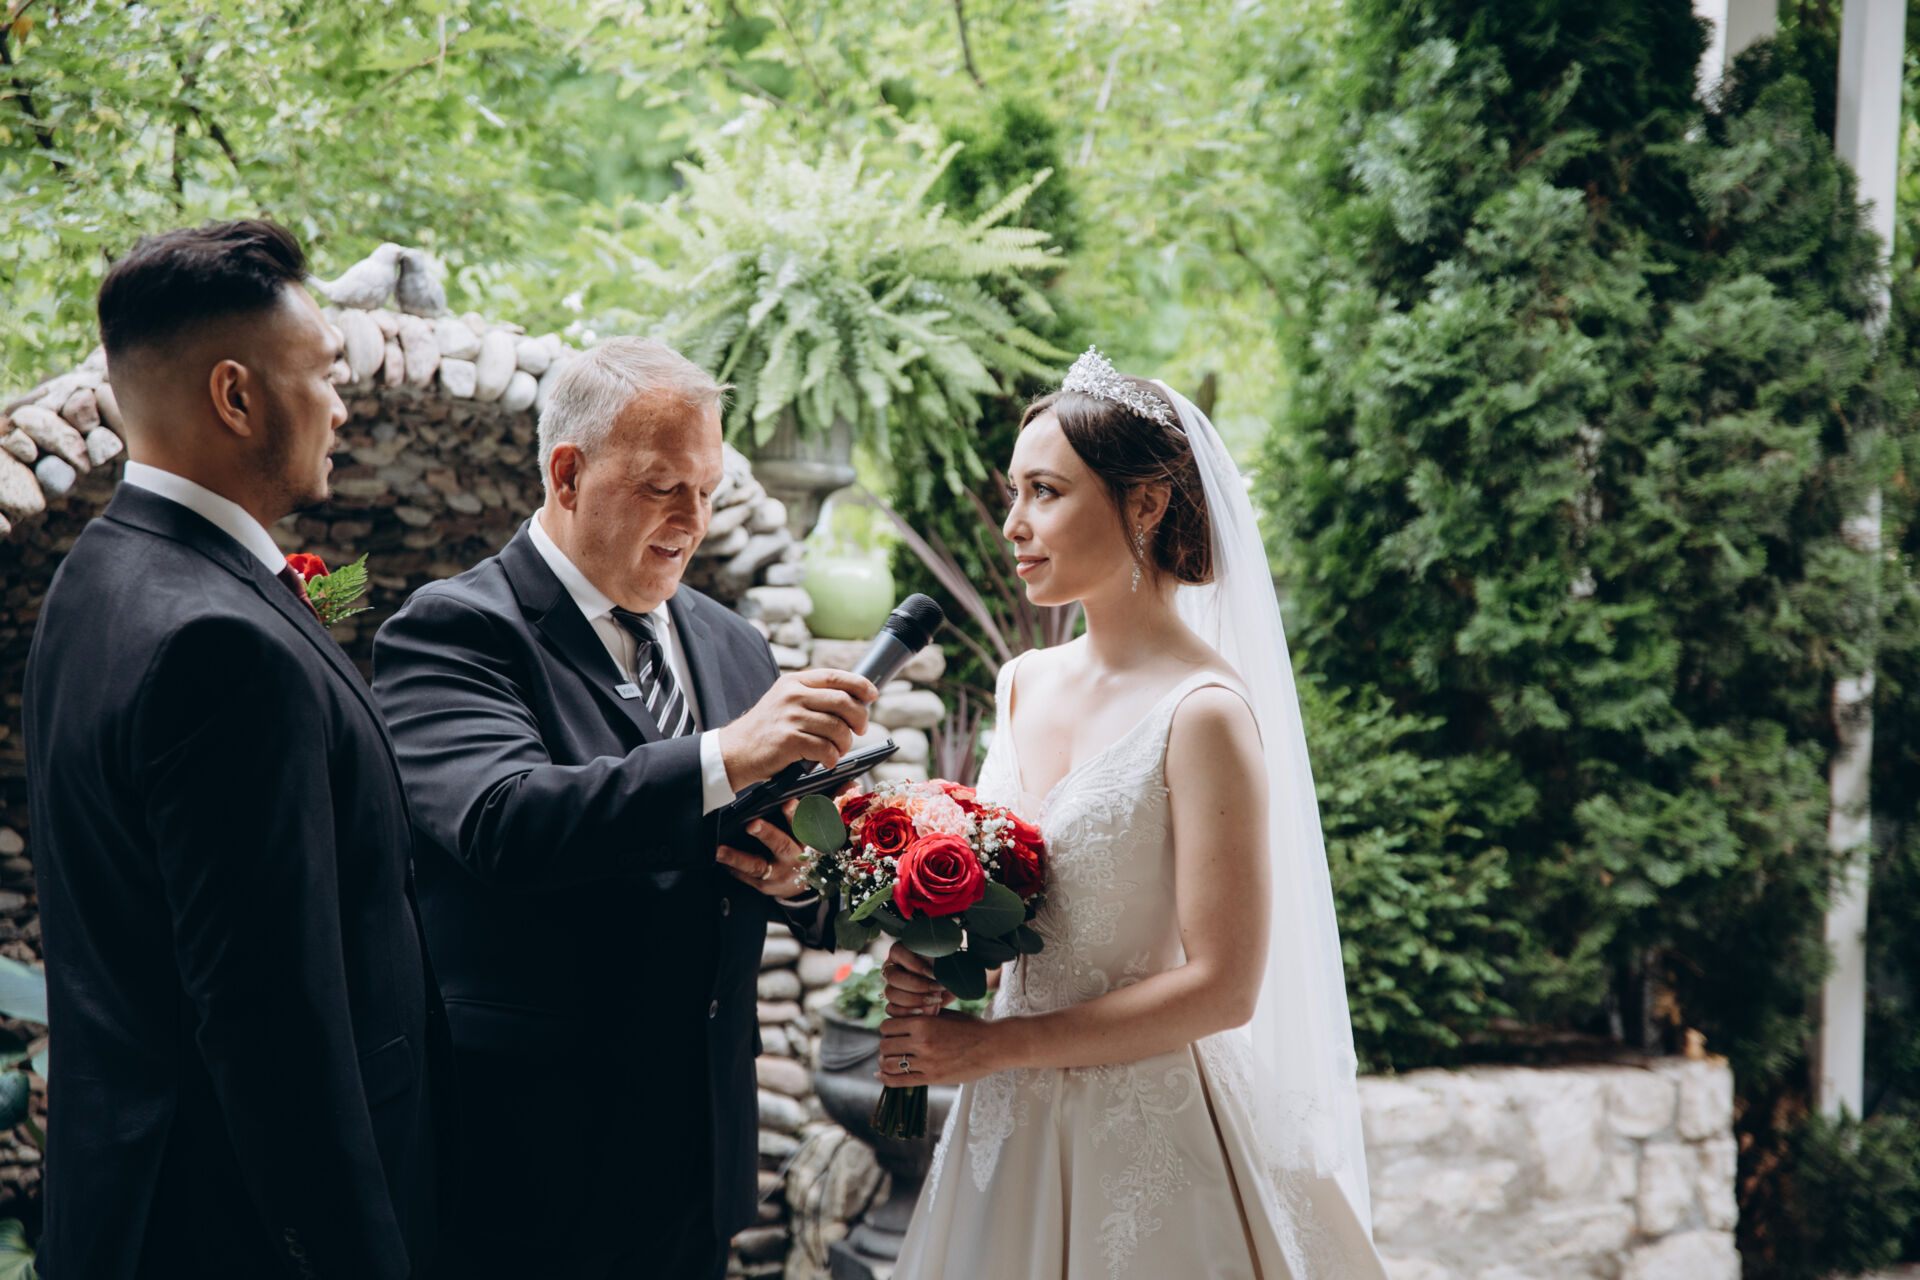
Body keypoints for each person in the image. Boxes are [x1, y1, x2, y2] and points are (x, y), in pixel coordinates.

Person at [370, 337, 875, 1280]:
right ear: (567, 474)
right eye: (662, 487)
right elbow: (503, 821)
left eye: (707, 490)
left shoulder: (733, 645)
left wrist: (803, 877)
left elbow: (816, 886)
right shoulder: (454, 631)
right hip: (526, 1163)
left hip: (698, 1159)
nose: (694, 521)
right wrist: (728, 754)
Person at [877, 348, 1388, 1278]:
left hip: (1149, 1147)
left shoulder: (1204, 714)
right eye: (1014, 492)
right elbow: (1009, 915)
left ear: (1145, 505)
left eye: (1044, 492)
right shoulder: (1021, 684)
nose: (1014, 523)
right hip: (1004, 1133)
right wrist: (934, 959)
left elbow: (1224, 988)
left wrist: (995, 1049)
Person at [22, 220, 446, 1278]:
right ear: (236, 396)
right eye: (325, 373)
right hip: (231, 1232)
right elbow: (271, 1028)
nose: (342, 406)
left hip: (124, 1195)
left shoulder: (96, 578)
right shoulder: (223, 648)